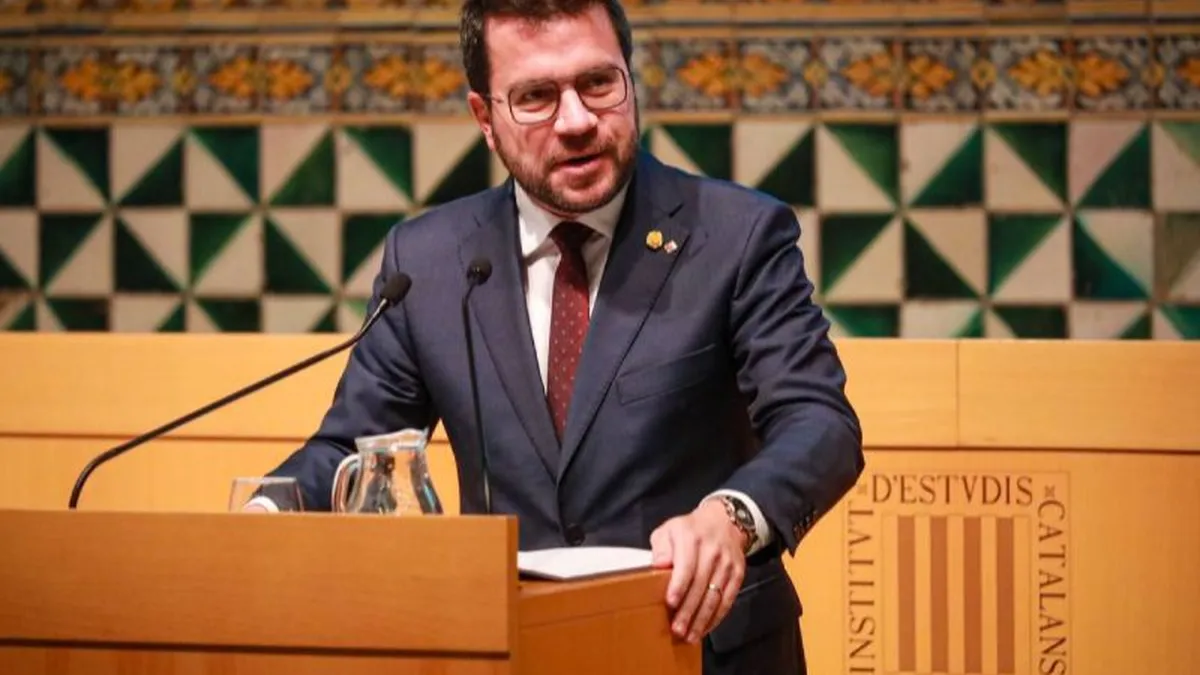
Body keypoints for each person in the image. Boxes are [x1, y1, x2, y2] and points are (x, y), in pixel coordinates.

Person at [252, 0, 864, 672]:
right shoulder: (427, 262)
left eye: (598, 83)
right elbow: (352, 449)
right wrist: (262, 513)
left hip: (700, 650)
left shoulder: (737, 235)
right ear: (485, 118)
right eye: (536, 97)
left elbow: (818, 423)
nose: (576, 121)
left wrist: (733, 516)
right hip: (511, 649)